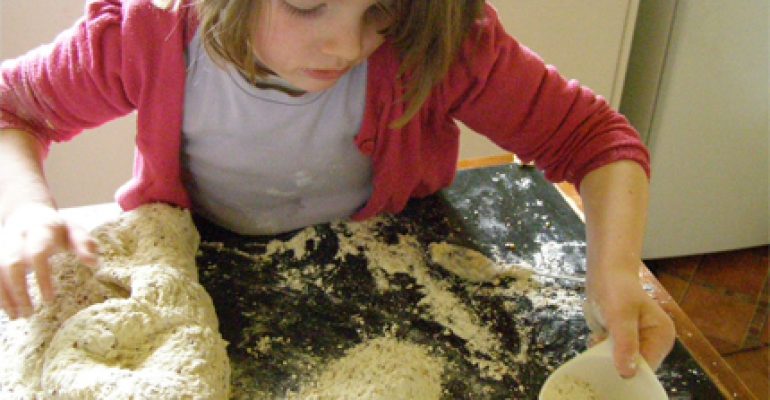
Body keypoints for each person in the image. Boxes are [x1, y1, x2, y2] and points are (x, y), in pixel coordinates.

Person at [0, 0, 674, 379]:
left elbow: (595, 138)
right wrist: (24, 208)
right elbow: (12, 109)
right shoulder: (145, 36)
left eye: (379, 8)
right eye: (305, 4)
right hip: (208, 274)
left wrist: (612, 274)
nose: (347, 44)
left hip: (395, 277)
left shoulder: (432, 39)